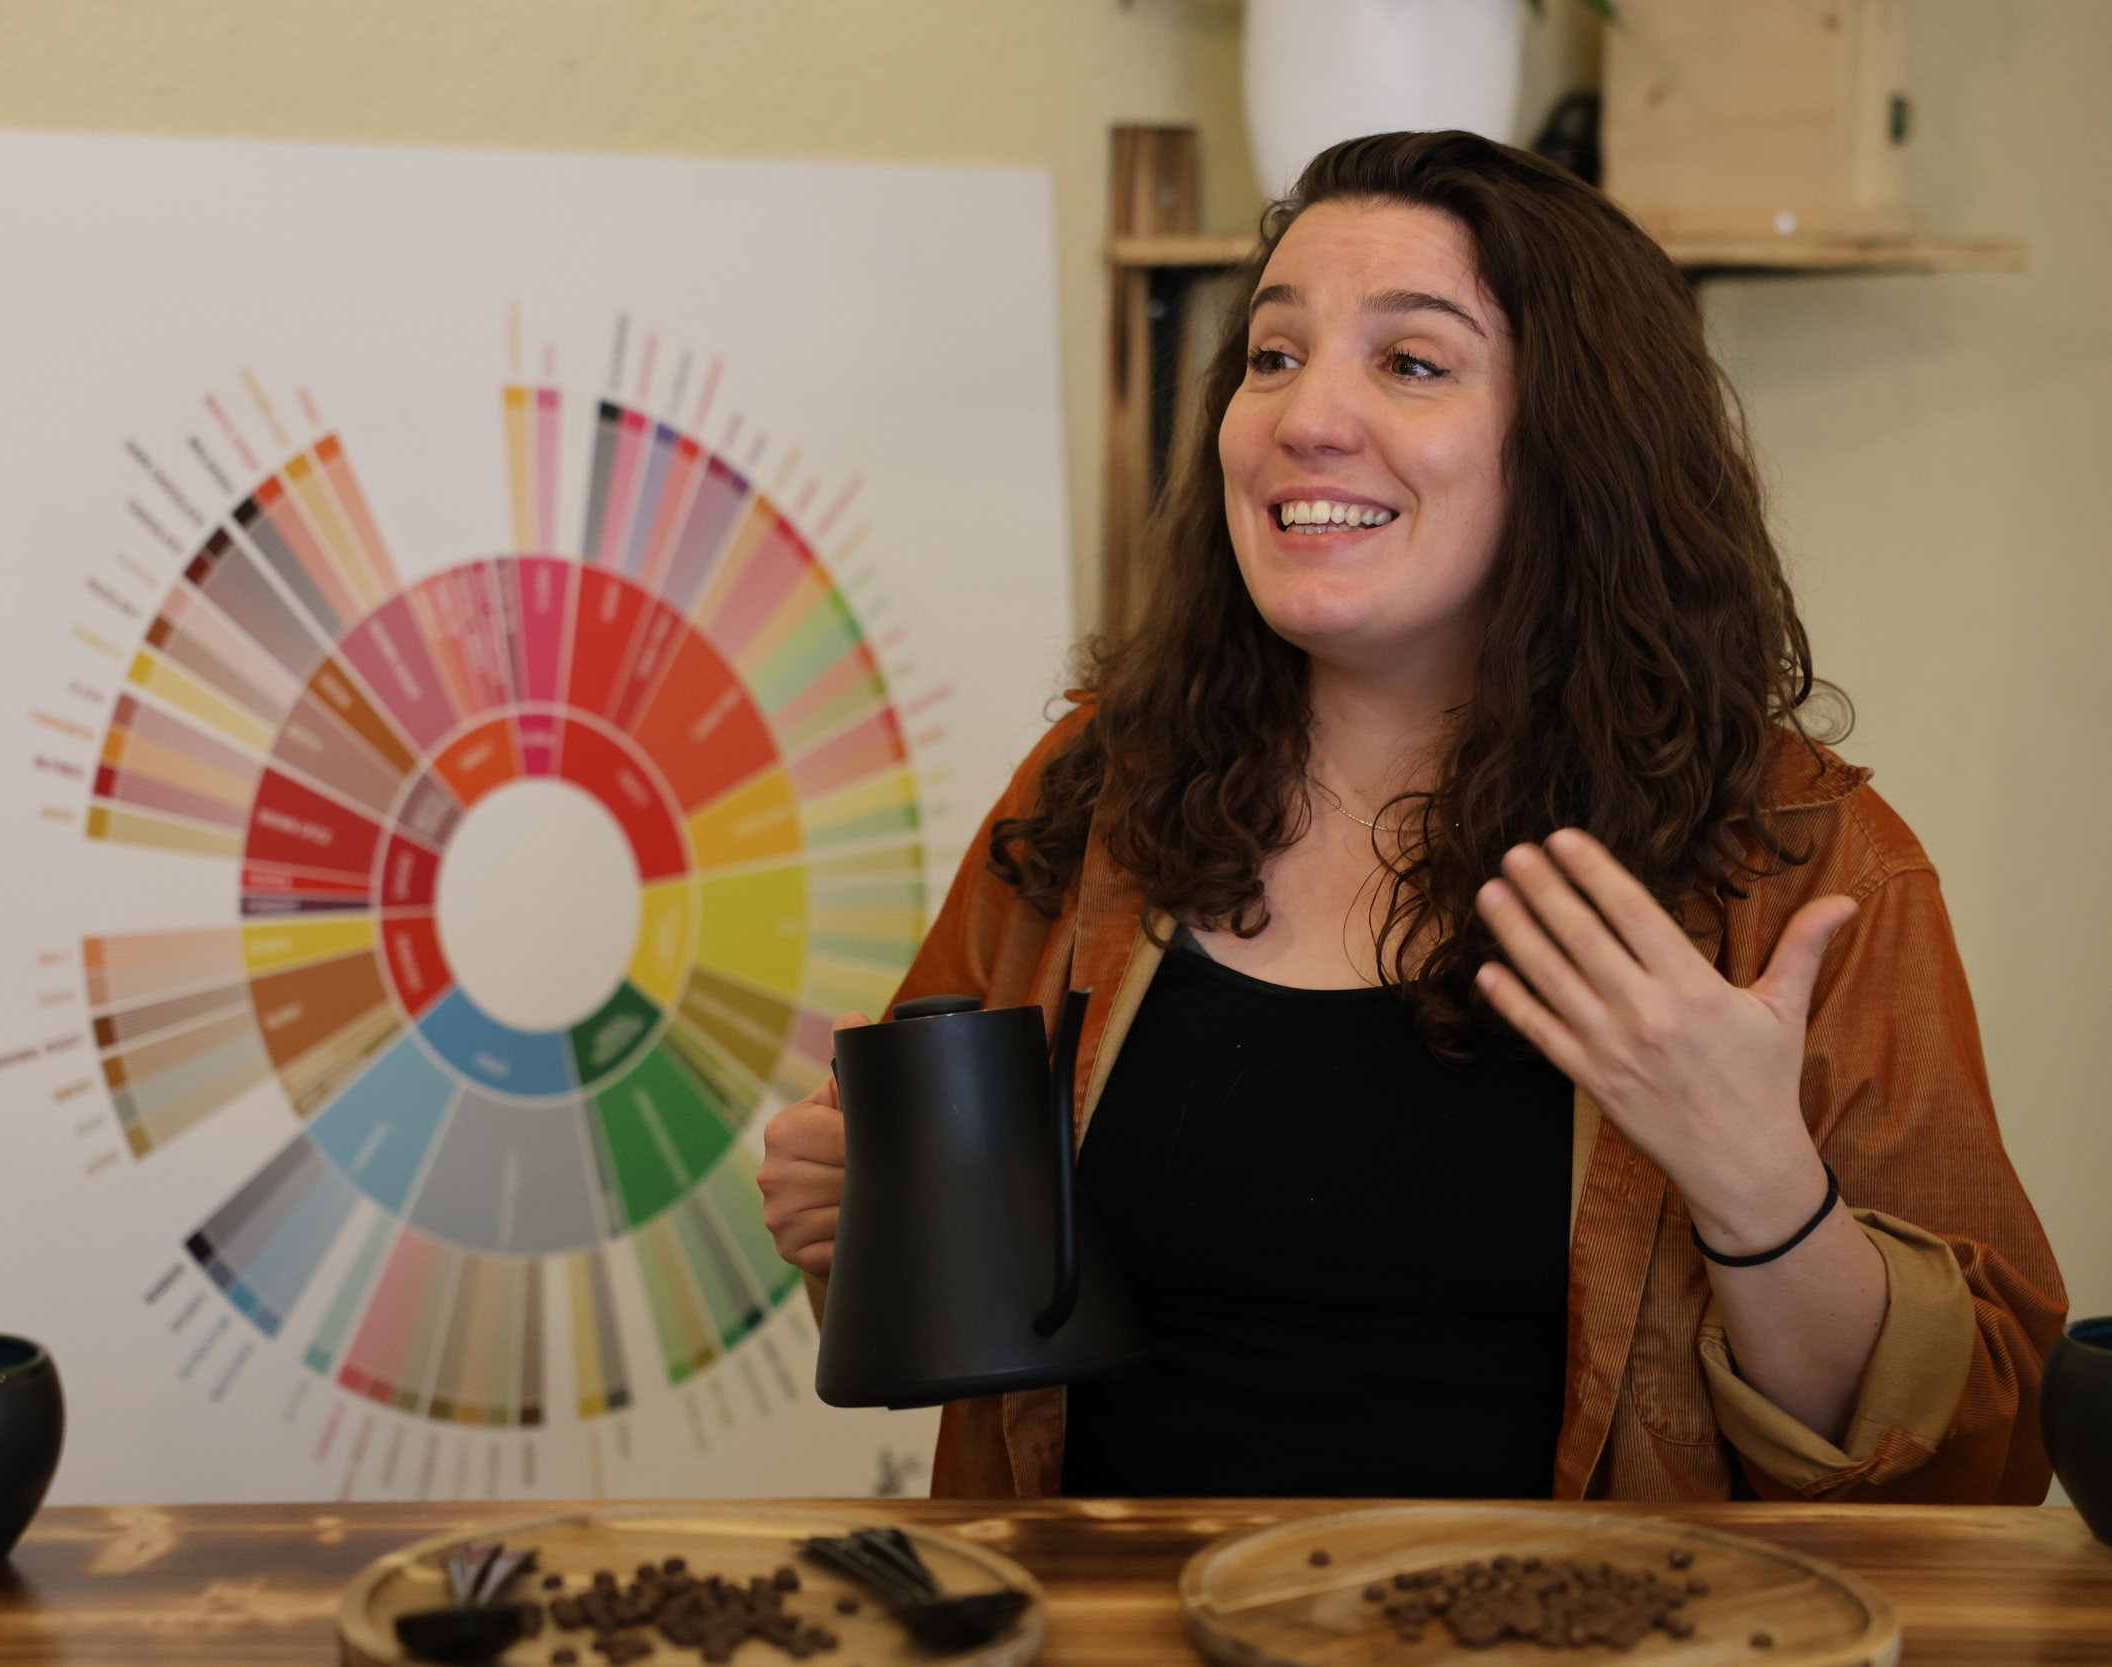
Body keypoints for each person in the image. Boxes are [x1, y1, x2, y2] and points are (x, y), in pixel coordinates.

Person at [757, 131, 2064, 1502]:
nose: (1304, 417)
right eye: (1272, 355)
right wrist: (853, 1220)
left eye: (1412, 361)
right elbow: (956, 1319)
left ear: (1577, 443)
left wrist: (1762, 1194)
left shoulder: (1803, 858)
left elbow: (1976, 1459)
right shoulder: (1098, 790)